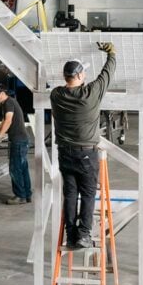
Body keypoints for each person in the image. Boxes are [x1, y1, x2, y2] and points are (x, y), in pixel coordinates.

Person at [49, 43, 116, 249]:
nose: (86, 75)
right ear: (78, 76)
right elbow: (107, 73)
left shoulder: (56, 95)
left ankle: (71, 235)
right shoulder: (91, 94)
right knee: (87, 194)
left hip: (64, 154)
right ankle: (84, 235)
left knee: (70, 194)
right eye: (84, 73)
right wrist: (111, 53)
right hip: (86, 153)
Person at [0, 84, 31, 205]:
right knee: (23, 168)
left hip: (18, 141)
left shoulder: (8, 103)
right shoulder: (8, 103)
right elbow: (4, 120)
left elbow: (9, 120)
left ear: (2, 93)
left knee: (15, 169)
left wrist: (0, 136)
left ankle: (20, 196)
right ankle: (27, 194)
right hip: (22, 140)